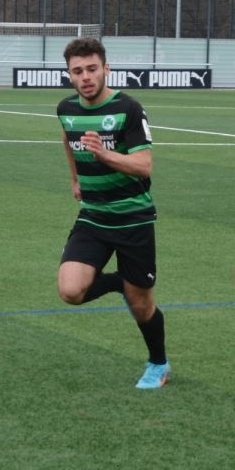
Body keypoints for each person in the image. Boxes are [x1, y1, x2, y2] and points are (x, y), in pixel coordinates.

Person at [56, 37, 169, 390]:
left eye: (92, 69)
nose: (85, 77)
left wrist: (104, 155)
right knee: (70, 291)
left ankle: (158, 363)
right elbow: (68, 139)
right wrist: (75, 178)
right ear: (70, 75)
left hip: (133, 217)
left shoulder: (129, 108)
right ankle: (120, 282)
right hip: (93, 216)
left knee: (142, 305)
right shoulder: (66, 108)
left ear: (106, 68)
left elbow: (144, 164)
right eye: (78, 71)